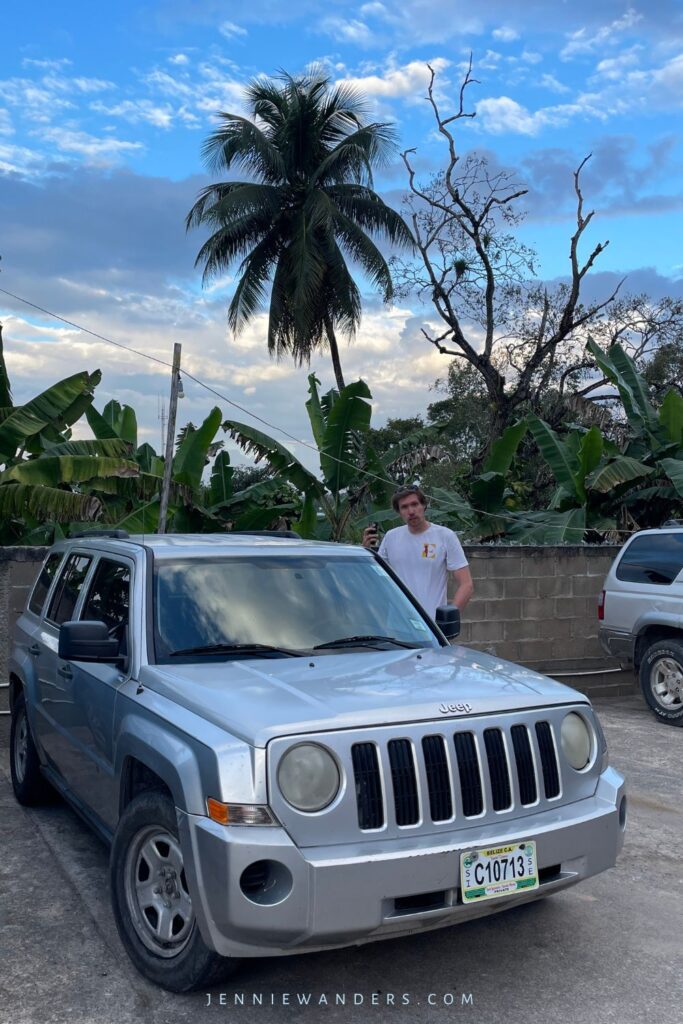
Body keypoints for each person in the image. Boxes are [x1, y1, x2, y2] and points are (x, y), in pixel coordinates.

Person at [362, 485, 473, 619]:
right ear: (399, 511)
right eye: (404, 507)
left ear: (424, 505)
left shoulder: (445, 536)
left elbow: (466, 585)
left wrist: (448, 620)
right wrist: (366, 552)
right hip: (398, 625)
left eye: (414, 504)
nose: (411, 511)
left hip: (432, 626)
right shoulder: (391, 537)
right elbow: (374, 579)